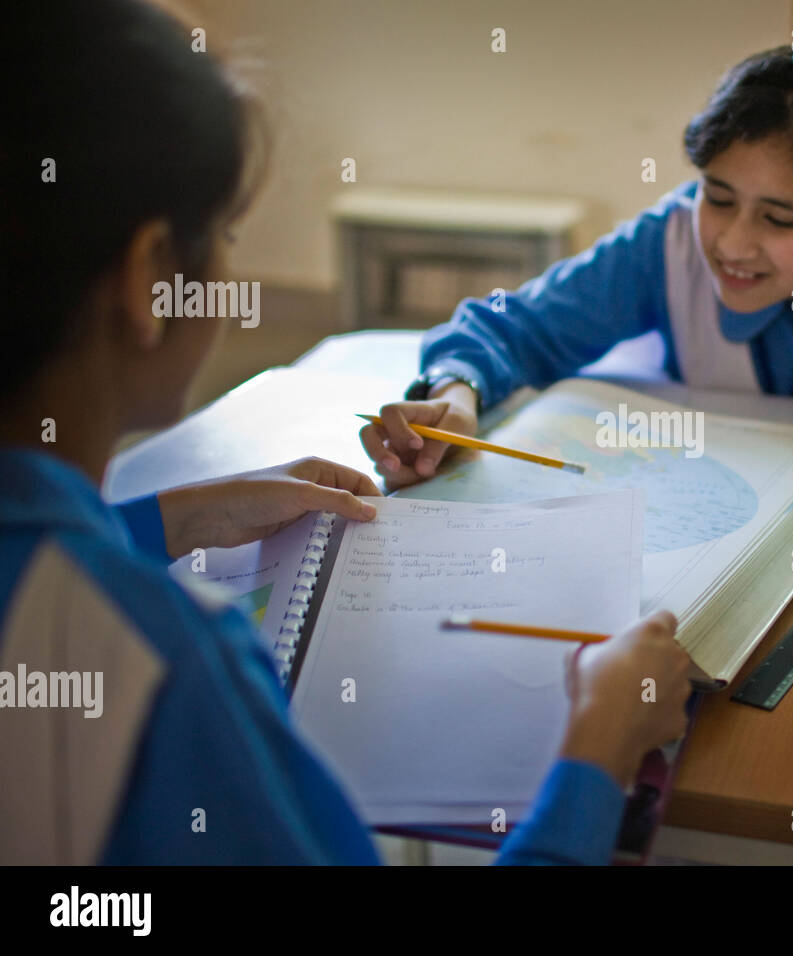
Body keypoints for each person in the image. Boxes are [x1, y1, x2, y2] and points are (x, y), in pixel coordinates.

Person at [0, 0, 692, 865]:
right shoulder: (166, 669)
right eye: (225, 235)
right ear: (150, 281)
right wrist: (595, 751)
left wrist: (172, 519)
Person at [360, 47, 793, 488]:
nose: (732, 242)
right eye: (718, 198)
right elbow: (514, 326)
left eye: (777, 219)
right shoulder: (667, 242)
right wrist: (456, 391)